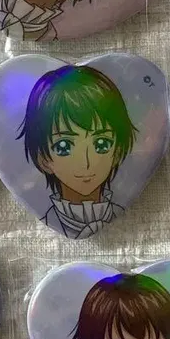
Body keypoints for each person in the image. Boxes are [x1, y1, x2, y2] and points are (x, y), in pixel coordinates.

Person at [19, 64, 137, 238]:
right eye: (64, 147)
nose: (86, 163)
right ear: (43, 158)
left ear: (117, 152)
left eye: (102, 144)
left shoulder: (121, 211)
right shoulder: (49, 218)